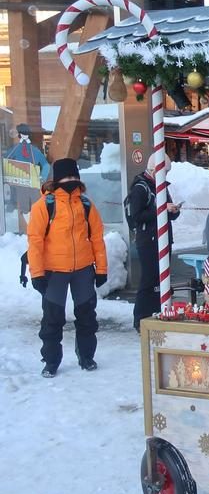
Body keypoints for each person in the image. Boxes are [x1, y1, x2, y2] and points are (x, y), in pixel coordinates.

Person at [27, 158, 107, 377]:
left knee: (87, 316)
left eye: (74, 177)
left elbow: (97, 239)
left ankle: (87, 356)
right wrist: (37, 273)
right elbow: (35, 241)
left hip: (82, 269)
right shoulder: (44, 205)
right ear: (57, 179)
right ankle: (51, 361)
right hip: (54, 272)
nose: (70, 181)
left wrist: (101, 269)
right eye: (66, 177)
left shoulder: (86, 205)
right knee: (52, 318)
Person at [131, 156, 181, 332]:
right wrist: (160, 210)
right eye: (164, 172)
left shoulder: (161, 187)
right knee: (149, 280)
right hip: (148, 240)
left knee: (161, 280)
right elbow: (136, 216)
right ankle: (140, 319)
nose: (166, 175)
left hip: (163, 238)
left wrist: (173, 210)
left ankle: (156, 312)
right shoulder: (140, 188)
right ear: (153, 170)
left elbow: (167, 213)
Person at [5, 123, 51, 232]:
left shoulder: (34, 150)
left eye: (26, 133)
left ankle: (38, 228)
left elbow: (45, 165)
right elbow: (6, 161)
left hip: (34, 183)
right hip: (21, 183)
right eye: (22, 133)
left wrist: (42, 178)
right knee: (24, 207)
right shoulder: (15, 149)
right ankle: (32, 228)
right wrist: (9, 175)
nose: (24, 136)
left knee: (37, 206)